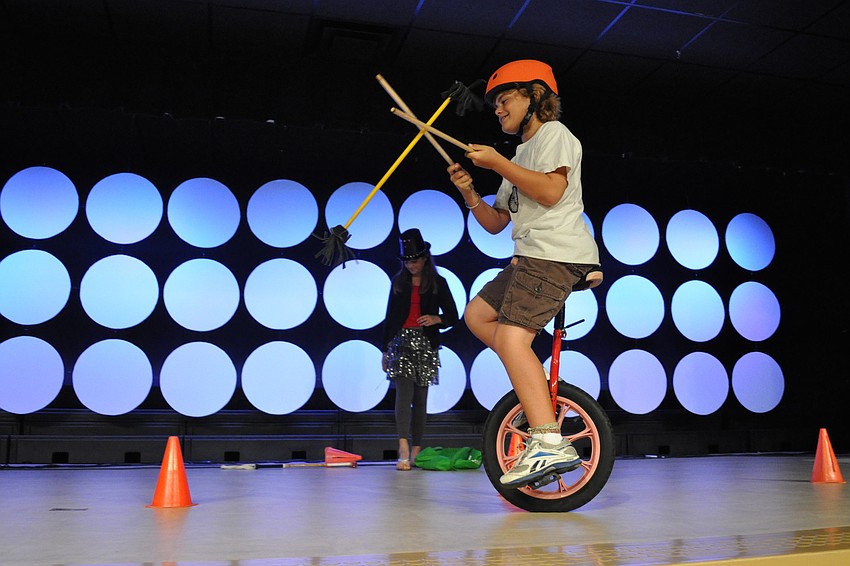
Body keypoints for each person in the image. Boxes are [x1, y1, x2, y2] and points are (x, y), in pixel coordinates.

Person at [447, 59, 601, 488]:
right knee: (477, 316)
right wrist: (468, 191)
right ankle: (532, 386)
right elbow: (497, 223)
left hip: (554, 255)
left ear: (535, 96)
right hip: (529, 256)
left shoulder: (554, 135)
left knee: (513, 339)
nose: (497, 109)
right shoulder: (517, 156)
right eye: (495, 103)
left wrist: (497, 163)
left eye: (505, 99)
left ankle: (549, 439)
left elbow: (551, 191)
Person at [381, 228, 459, 471]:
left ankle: (416, 449)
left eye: (414, 261)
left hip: (426, 344)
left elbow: (453, 316)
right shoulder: (398, 283)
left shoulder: (438, 283)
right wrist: (384, 349)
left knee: (421, 399)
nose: (411, 266)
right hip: (401, 342)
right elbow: (390, 317)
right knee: (403, 396)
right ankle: (403, 446)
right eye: (407, 262)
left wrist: (437, 319)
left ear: (425, 259)